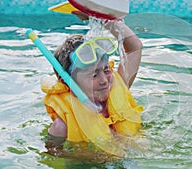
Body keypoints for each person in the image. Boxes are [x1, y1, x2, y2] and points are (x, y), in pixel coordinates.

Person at [41, 12, 143, 161]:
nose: (104, 81)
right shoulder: (62, 126)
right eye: (94, 75)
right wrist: (93, 156)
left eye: (106, 70)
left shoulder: (118, 85)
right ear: (69, 83)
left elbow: (135, 47)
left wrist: (103, 19)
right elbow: (52, 154)